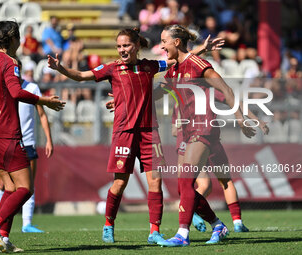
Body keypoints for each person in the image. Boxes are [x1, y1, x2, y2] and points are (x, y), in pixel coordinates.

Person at [48, 27, 223, 245]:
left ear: (136, 46)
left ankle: (154, 231)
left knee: (155, 181)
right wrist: (60, 68)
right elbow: (83, 76)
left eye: (126, 45)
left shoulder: (149, 66)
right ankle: (109, 224)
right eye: (119, 46)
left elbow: (180, 60)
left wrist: (201, 49)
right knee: (120, 183)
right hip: (124, 133)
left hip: (150, 132)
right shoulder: (112, 68)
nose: (122, 50)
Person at [0, 21, 65, 252]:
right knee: (25, 189)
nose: (19, 44)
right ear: (12, 39)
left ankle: (3, 241)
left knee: (9, 187)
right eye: (18, 39)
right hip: (7, 135)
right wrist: (44, 100)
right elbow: (16, 92)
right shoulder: (10, 62)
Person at [157, 24, 259, 247]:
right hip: (187, 131)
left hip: (203, 128)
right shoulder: (174, 71)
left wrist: (241, 118)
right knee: (184, 187)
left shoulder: (198, 65)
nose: (161, 45)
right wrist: (127, 98)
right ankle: (218, 225)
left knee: (188, 182)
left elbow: (226, 90)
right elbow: (157, 93)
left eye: (164, 41)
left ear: (176, 42)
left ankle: (182, 235)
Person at [172, 90, 269, 233]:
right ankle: (237, 222)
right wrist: (256, 120)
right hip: (209, 139)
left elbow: (175, 131)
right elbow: (234, 102)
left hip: (187, 142)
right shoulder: (208, 91)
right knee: (225, 181)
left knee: (198, 184)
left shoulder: (178, 99)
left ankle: (190, 213)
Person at [0, 59, 53, 237]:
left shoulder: (32, 88)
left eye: (18, 70)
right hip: (7, 140)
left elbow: (42, 115)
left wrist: (49, 140)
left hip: (27, 142)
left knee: (26, 186)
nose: (16, 72)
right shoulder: (5, 87)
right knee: (7, 185)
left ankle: (22, 224)